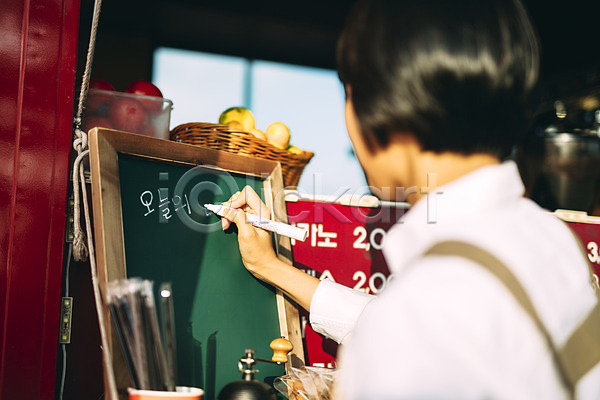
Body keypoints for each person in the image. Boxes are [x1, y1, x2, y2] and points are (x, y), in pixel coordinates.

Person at [219, 0, 600, 398]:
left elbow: (408, 328)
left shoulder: (416, 315)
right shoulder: (552, 243)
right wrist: (272, 266)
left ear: (377, 105)